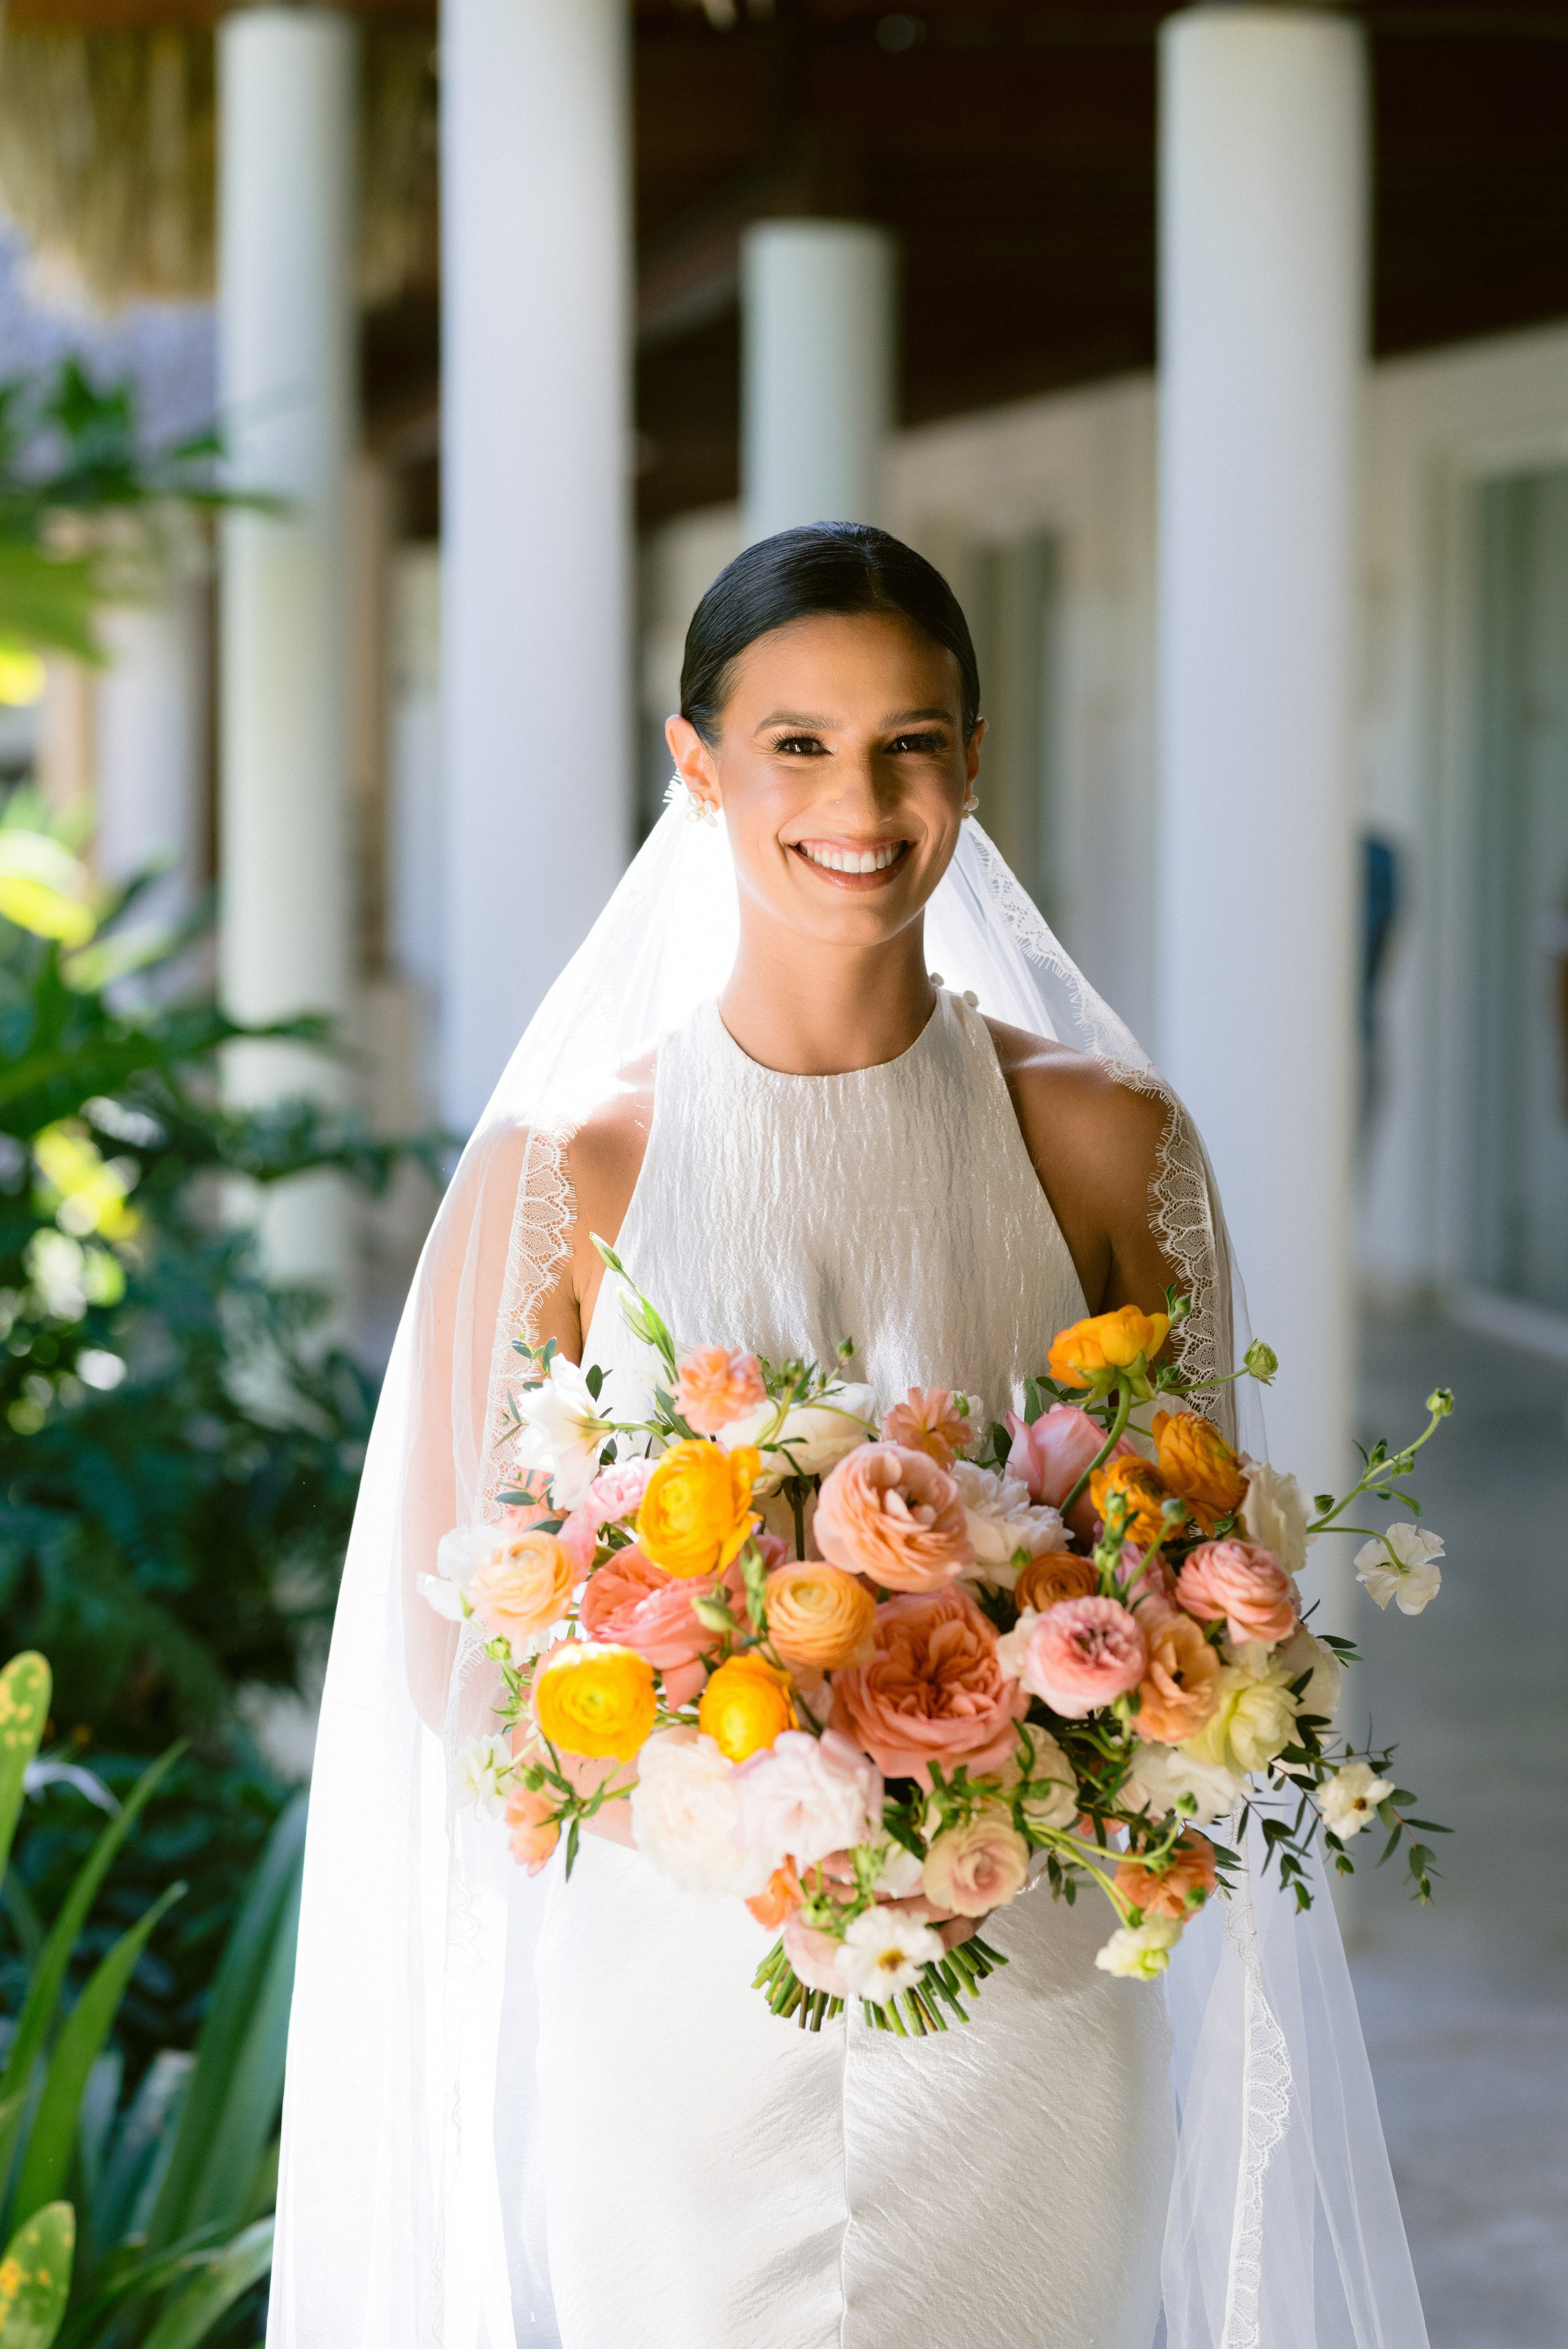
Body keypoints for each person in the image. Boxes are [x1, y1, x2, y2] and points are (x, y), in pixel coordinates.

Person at [268, 527, 1429, 2349]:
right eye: (798, 741)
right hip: (681, 2010)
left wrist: (1034, 1721)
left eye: (909, 740)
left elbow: (1217, 1591)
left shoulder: (1112, 1141)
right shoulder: (569, 1170)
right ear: (698, 765)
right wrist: (738, 1754)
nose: (861, 798)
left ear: (975, 757)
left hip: (1025, 1993)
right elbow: (455, 1656)